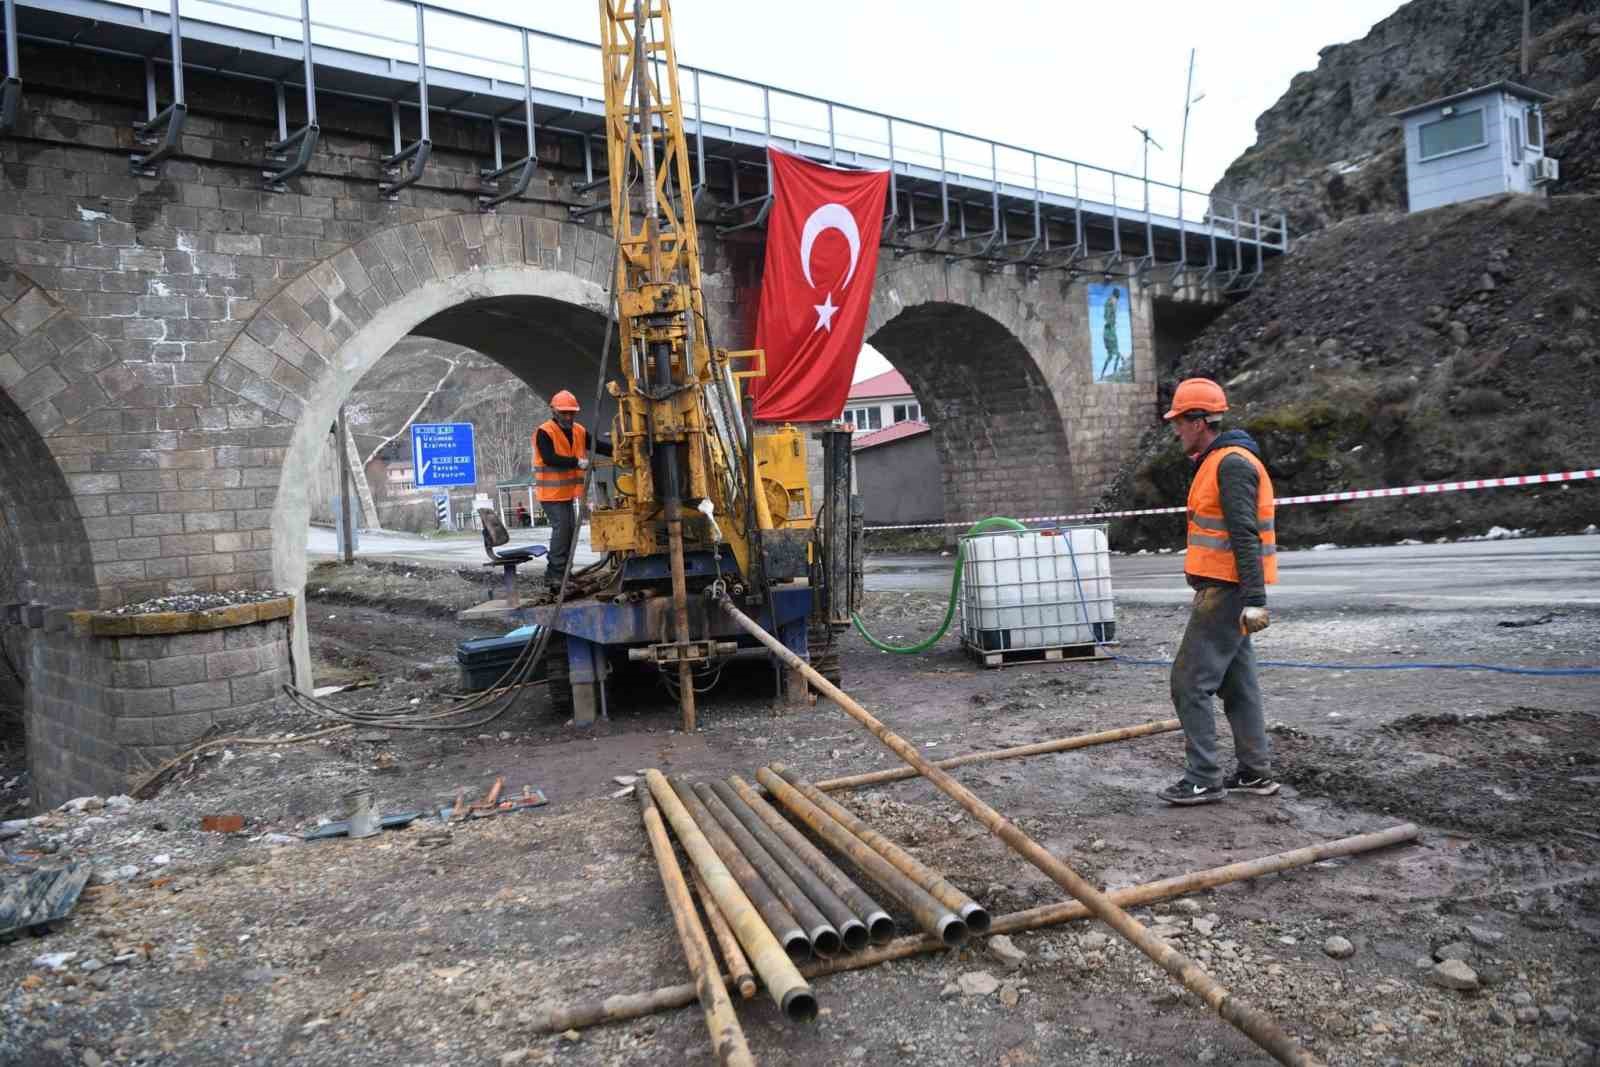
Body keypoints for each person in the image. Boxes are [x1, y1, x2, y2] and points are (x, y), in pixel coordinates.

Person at [1158, 377, 1279, 806]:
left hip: (1226, 592)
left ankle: (1203, 778)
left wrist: (1254, 600)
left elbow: (1245, 535)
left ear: (1199, 420)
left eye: (1179, 421)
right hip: (1226, 589)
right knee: (1238, 685)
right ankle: (1254, 772)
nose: (1175, 430)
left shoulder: (1230, 464)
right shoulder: (1218, 461)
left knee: (1188, 682)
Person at [532, 390, 611, 593]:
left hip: (566, 493)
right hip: (551, 495)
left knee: (569, 533)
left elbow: (597, 446)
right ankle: (555, 576)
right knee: (562, 532)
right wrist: (577, 462)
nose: (568, 417)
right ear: (554, 411)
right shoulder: (545, 432)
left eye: (571, 413)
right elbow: (549, 458)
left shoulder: (578, 430)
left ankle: (565, 575)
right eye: (564, 413)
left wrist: (621, 448)